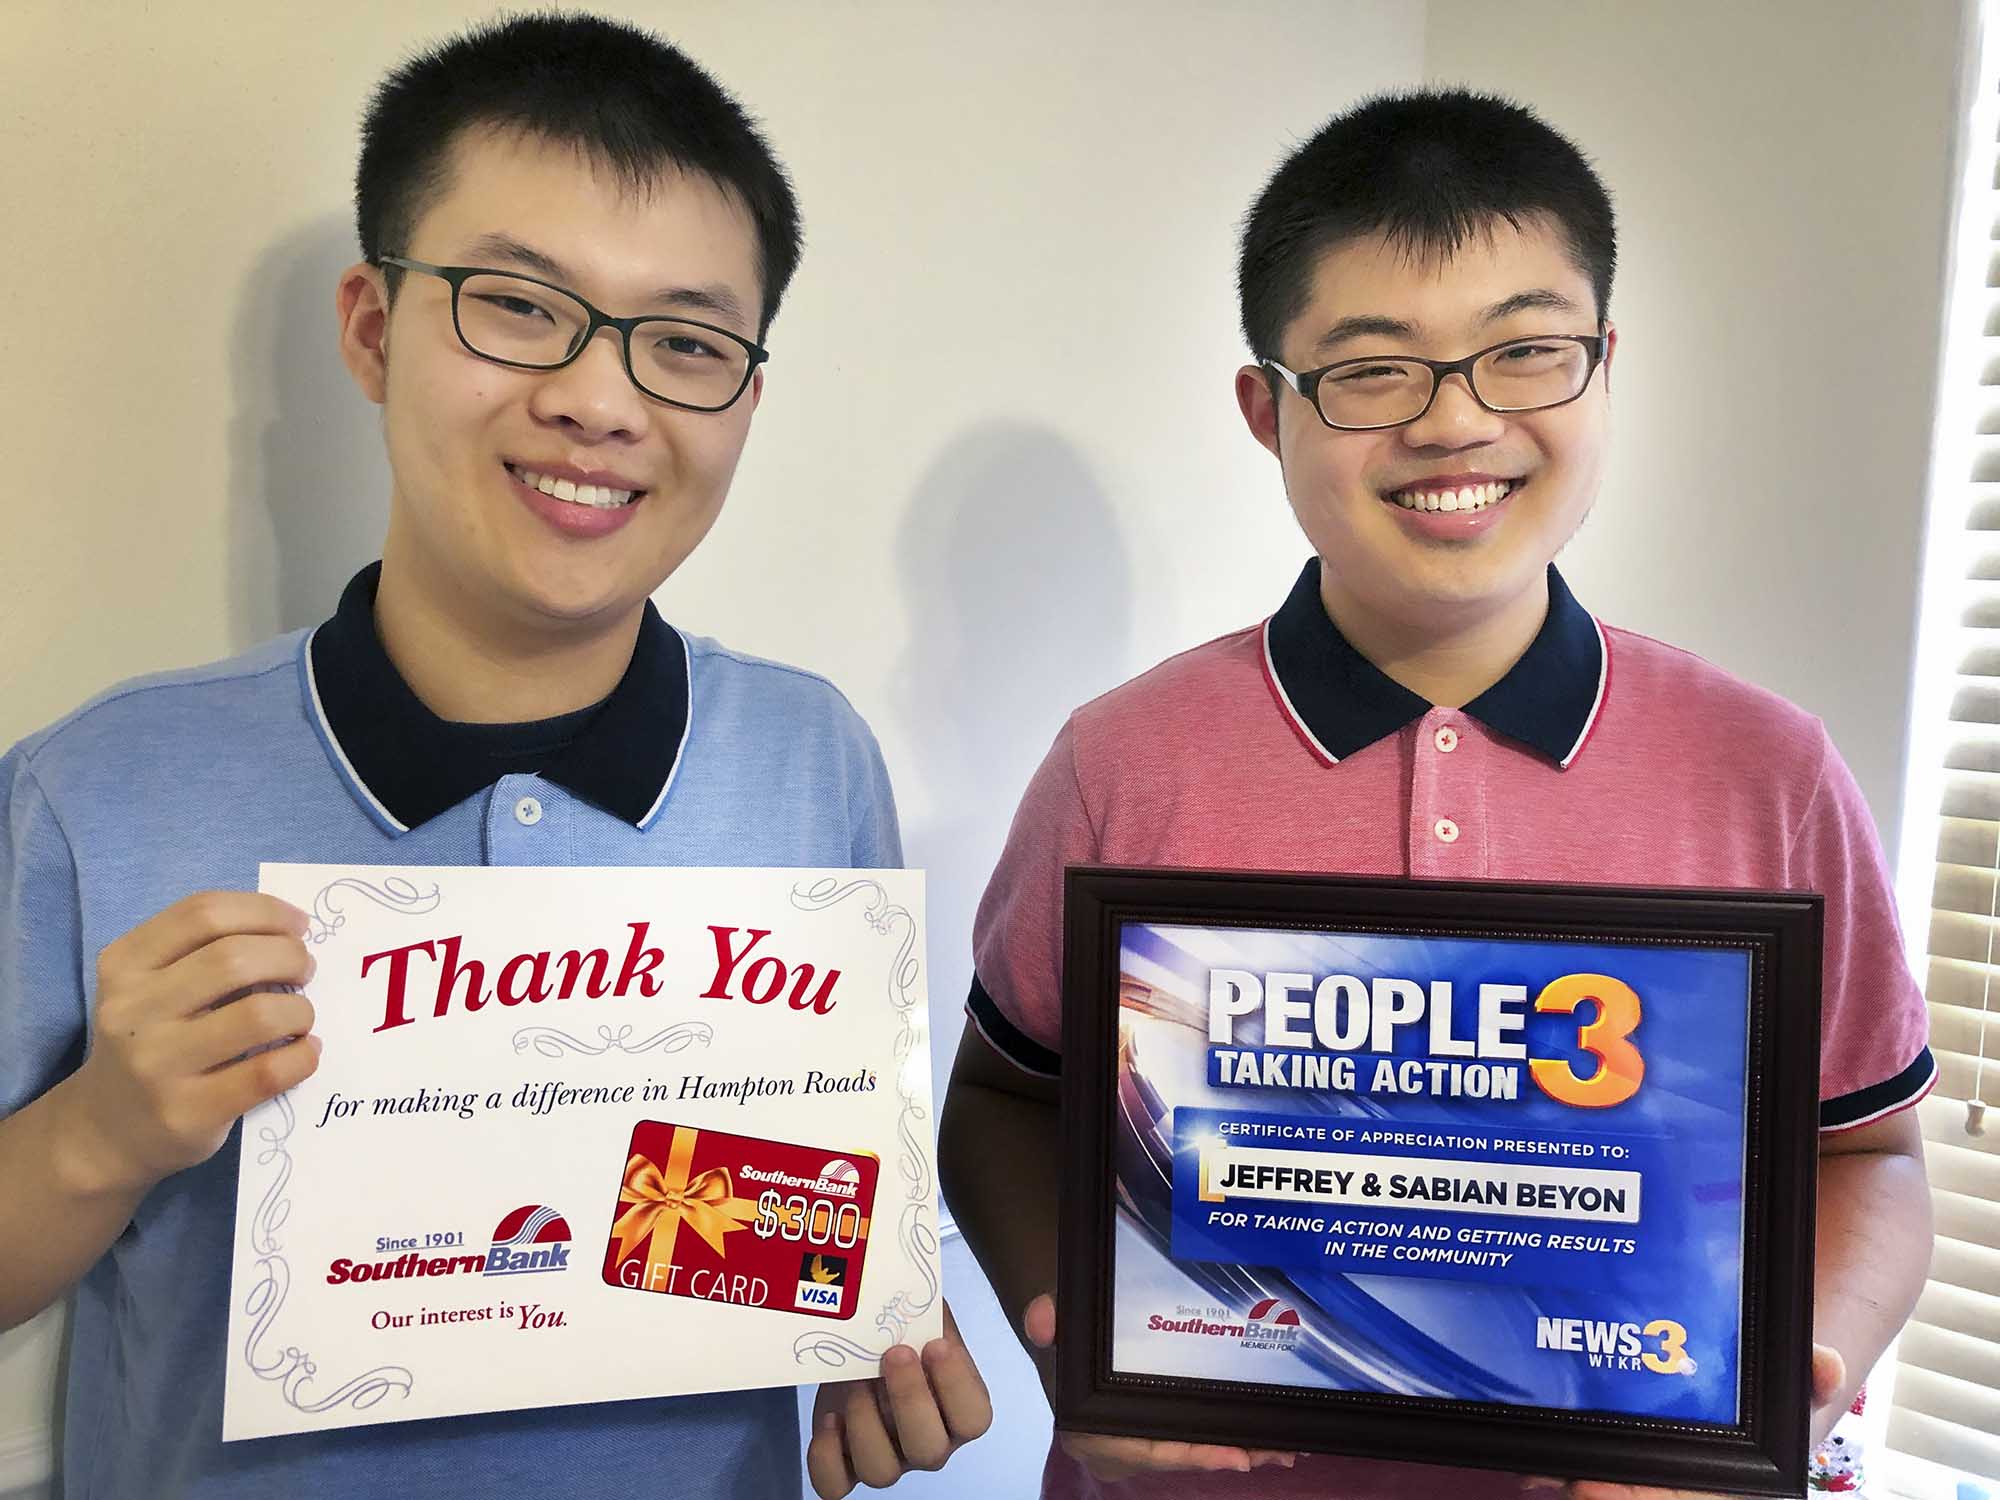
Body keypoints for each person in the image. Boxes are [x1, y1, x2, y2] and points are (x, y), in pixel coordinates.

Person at [0, 14, 988, 1498]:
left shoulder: (808, 757)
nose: (600, 398)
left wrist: (866, 1331)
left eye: (687, 342)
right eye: (519, 306)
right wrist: (100, 1134)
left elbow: (796, 1194)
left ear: (746, 398)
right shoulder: (98, 788)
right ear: (372, 327)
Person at [939, 87, 1933, 1500]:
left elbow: (1876, 1158)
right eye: (1372, 370)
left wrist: (1791, 1381)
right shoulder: (1126, 758)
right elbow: (1000, 1099)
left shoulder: (1767, 771)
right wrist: (1074, 1340)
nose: (1457, 423)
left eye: (1524, 352)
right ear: (1264, 410)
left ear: (1602, 365)